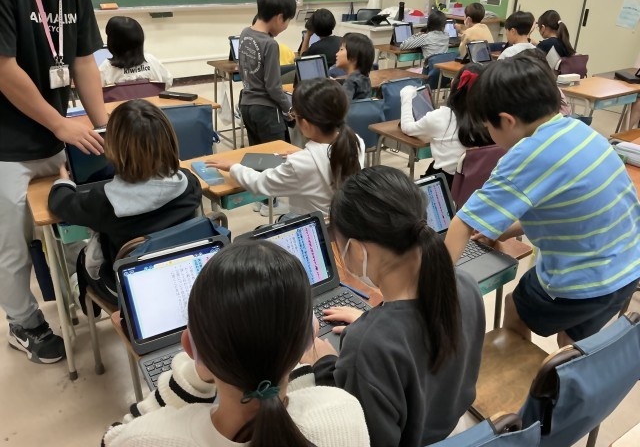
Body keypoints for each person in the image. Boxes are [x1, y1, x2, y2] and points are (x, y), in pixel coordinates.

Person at [445, 55, 640, 349]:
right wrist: (508, 230)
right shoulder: (580, 130)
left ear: (507, 121)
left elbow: (462, 223)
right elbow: (565, 210)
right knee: (572, 340)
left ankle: (519, 374)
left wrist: (431, 288)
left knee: (515, 305)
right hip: (627, 267)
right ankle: (570, 370)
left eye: (488, 126)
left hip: (583, 279)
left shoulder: (525, 155)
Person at [102, 241, 370, 447]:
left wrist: (198, 368)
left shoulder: (147, 439)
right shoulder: (343, 411)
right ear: (310, 337)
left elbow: (112, 438)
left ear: (191, 348)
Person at [304, 166, 485, 447]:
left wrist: (323, 365)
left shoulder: (368, 346)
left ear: (358, 250)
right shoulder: (464, 285)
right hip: (456, 429)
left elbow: (362, 435)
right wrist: (374, 320)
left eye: (339, 245)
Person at [0, 0, 107, 364]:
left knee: (70, 222)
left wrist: (104, 130)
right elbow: (3, 67)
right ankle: (24, 323)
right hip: (7, 145)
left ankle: (80, 287)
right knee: (12, 245)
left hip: (54, 137)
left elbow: (84, 61)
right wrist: (60, 124)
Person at [48, 99, 202, 308]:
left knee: (83, 259)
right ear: (169, 140)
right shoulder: (189, 184)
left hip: (126, 290)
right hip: (182, 274)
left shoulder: (105, 202)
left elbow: (61, 204)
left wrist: (63, 182)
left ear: (112, 148)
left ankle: (81, 296)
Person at [206, 78, 364, 218]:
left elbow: (260, 184)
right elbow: (325, 162)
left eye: (295, 114)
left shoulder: (301, 163)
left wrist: (233, 167)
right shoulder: (355, 141)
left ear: (306, 124)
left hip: (314, 224)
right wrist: (304, 154)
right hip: (342, 222)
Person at [399, 63, 493, 187]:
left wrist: (406, 96)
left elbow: (407, 128)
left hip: (446, 185)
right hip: (481, 184)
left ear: (454, 84)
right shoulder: (493, 119)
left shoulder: (442, 117)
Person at [239, 0, 296, 147]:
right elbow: (273, 87)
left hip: (247, 106)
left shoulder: (245, 33)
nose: (286, 26)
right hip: (267, 111)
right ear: (279, 18)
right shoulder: (270, 44)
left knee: (259, 155)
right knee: (278, 155)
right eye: (287, 21)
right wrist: (289, 108)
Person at [99, 16, 173, 88]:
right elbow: (168, 81)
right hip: (153, 97)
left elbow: (97, 91)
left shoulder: (106, 67)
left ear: (112, 42)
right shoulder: (151, 60)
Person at [335, 33, 374, 100]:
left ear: (354, 57)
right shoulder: (364, 77)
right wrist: (336, 81)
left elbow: (343, 104)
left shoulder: (350, 82)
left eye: (341, 49)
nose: (337, 54)